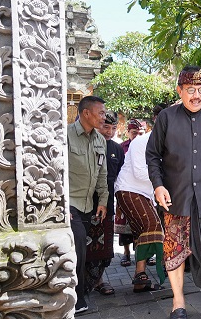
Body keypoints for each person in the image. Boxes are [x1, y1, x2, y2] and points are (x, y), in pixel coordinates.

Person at [146, 65, 201, 319]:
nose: (197, 95)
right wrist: (158, 185)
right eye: (191, 90)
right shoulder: (166, 118)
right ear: (180, 91)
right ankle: (178, 301)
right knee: (174, 250)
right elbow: (153, 155)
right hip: (177, 197)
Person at [113, 104, 168, 293]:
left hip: (145, 195)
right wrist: (165, 182)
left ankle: (140, 277)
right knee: (153, 228)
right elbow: (139, 173)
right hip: (128, 189)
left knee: (143, 233)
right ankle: (149, 272)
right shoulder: (141, 142)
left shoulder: (169, 145)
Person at [67, 96, 108, 313]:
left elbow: (102, 175)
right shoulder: (65, 136)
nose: (104, 117)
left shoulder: (100, 140)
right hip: (69, 204)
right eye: (100, 113)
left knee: (83, 251)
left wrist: (102, 201)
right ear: (86, 113)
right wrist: (60, 204)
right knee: (79, 248)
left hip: (88, 206)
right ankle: (76, 299)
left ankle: (77, 294)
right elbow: (54, 172)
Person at [85, 110, 125, 296]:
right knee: (84, 243)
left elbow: (120, 177)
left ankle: (99, 280)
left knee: (104, 246)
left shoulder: (117, 150)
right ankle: (83, 282)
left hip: (107, 204)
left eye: (113, 128)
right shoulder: (88, 143)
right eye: (105, 127)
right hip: (85, 203)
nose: (109, 132)